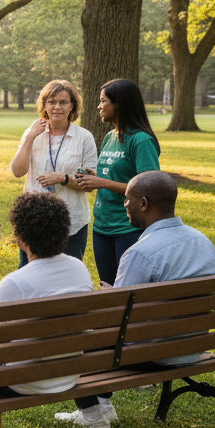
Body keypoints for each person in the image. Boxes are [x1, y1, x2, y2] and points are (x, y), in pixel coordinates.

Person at [57, 171, 215, 428]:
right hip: (192, 346)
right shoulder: (202, 241)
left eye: (127, 199)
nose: (124, 205)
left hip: (151, 355)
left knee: (73, 330)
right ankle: (103, 406)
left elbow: (117, 319)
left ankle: (91, 414)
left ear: (143, 204)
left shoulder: (141, 253)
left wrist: (106, 298)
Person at [0, 193, 92, 428]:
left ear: (21, 241)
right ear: (64, 233)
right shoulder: (80, 268)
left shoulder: (15, 283)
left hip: (25, 381)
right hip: (68, 373)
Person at [73, 78, 160, 286]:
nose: (99, 106)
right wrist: (93, 176)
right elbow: (114, 175)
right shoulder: (110, 136)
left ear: (118, 103)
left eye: (103, 101)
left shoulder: (141, 141)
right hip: (102, 227)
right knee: (107, 287)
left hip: (128, 228)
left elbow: (149, 189)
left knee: (128, 289)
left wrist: (101, 182)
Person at [9, 80, 98, 266]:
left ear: (72, 106)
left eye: (63, 102)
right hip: (34, 218)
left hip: (71, 220)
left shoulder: (84, 137)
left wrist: (63, 178)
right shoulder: (32, 133)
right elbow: (17, 171)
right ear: (44, 105)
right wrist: (29, 138)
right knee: (29, 274)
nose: (57, 107)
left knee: (67, 275)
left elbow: (90, 184)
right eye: (51, 102)